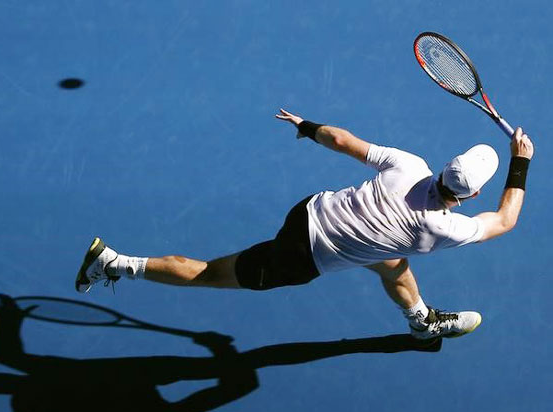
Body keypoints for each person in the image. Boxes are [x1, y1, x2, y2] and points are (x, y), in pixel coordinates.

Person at [75, 109, 534, 339]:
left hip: (310, 211)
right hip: (307, 253)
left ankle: (420, 319)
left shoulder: (410, 164)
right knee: (210, 274)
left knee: (392, 260)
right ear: (472, 194)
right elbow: (505, 219)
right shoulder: (445, 230)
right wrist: (521, 162)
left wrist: (306, 125)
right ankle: (115, 262)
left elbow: (341, 139)